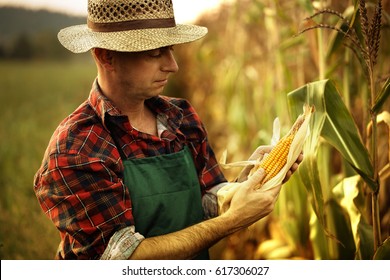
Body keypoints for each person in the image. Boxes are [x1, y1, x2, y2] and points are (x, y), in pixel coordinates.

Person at [34, 0, 302, 260]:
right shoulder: (77, 148)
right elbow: (121, 257)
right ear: (106, 56)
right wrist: (231, 222)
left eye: (170, 50)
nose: (172, 66)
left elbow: (205, 201)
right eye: (154, 54)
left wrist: (251, 181)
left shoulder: (181, 117)